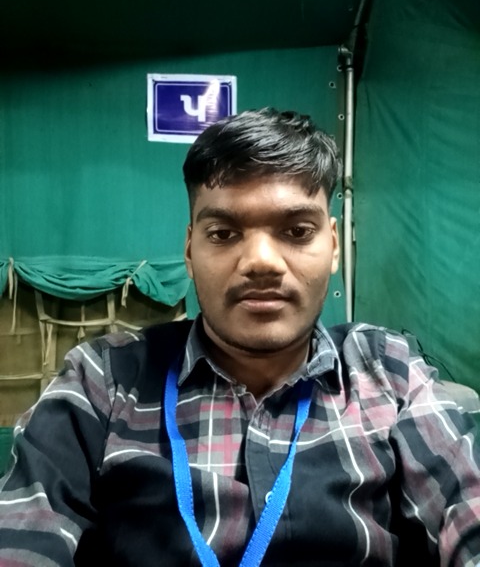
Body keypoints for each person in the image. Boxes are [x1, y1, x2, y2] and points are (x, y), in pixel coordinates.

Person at [0, 108, 480, 566]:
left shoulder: (386, 371)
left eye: (297, 231)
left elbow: (468, 507)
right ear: (190, 251)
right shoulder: (103, 379)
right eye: (224, 234)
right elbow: (23, 532)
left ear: (334, 245)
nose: (261, 262)